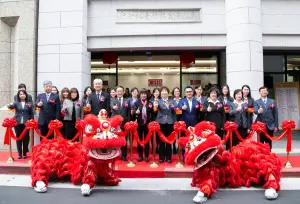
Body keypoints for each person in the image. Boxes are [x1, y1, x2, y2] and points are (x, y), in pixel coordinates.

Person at [8, 90, 34, 159]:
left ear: (26, 95)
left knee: (26, 138)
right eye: (20, 94)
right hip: (18, 123)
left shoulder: (29, 103)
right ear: (18, 95)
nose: (22, 95)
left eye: (23, 94)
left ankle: (24, 153)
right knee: (18, 138)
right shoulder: (16, 103)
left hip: (26, 124)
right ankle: (19, 154)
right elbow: (11, 106)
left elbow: (31, 113)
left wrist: (32, 121)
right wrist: (9, 105)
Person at [153, 86, 176, 164]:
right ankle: (161, 157)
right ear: (160, 93)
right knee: (161, 140)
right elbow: (155, 110)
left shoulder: (172, 101)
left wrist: (174, 121)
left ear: (168, 92)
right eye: (162, 91)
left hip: (170, 122)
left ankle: (169, 157)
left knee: (169, 140)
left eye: (165, 91)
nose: (164, 92)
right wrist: (155, 106)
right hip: (160, 122)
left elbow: (174, 112)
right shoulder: (158, 101)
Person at [110, 86, 130, 161]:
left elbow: (128, 112)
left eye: (121, 91)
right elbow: (111, 106)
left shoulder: (127, 100)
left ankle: (124, 155)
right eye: (118, 91)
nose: (119, 93)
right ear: (115, 92)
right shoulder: (113, 100)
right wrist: (113, 107)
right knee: (115, 139)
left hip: (124, 122)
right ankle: (115, 155)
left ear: (123, 92)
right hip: (115, 123)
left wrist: (128, 122)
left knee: (124, 139)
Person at [133, 88, 152, 163]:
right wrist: (135, 112)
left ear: (147, 95)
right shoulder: (137, 103)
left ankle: (146, 156)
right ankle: (140, 156)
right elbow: (133, 111)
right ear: (140, 95)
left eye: (145, 94)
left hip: (147, 124)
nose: (143, 95)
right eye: (142, 94)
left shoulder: (150, 103)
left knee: (147, 140)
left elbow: (152, 112)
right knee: (139, 140)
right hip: (139, 124)